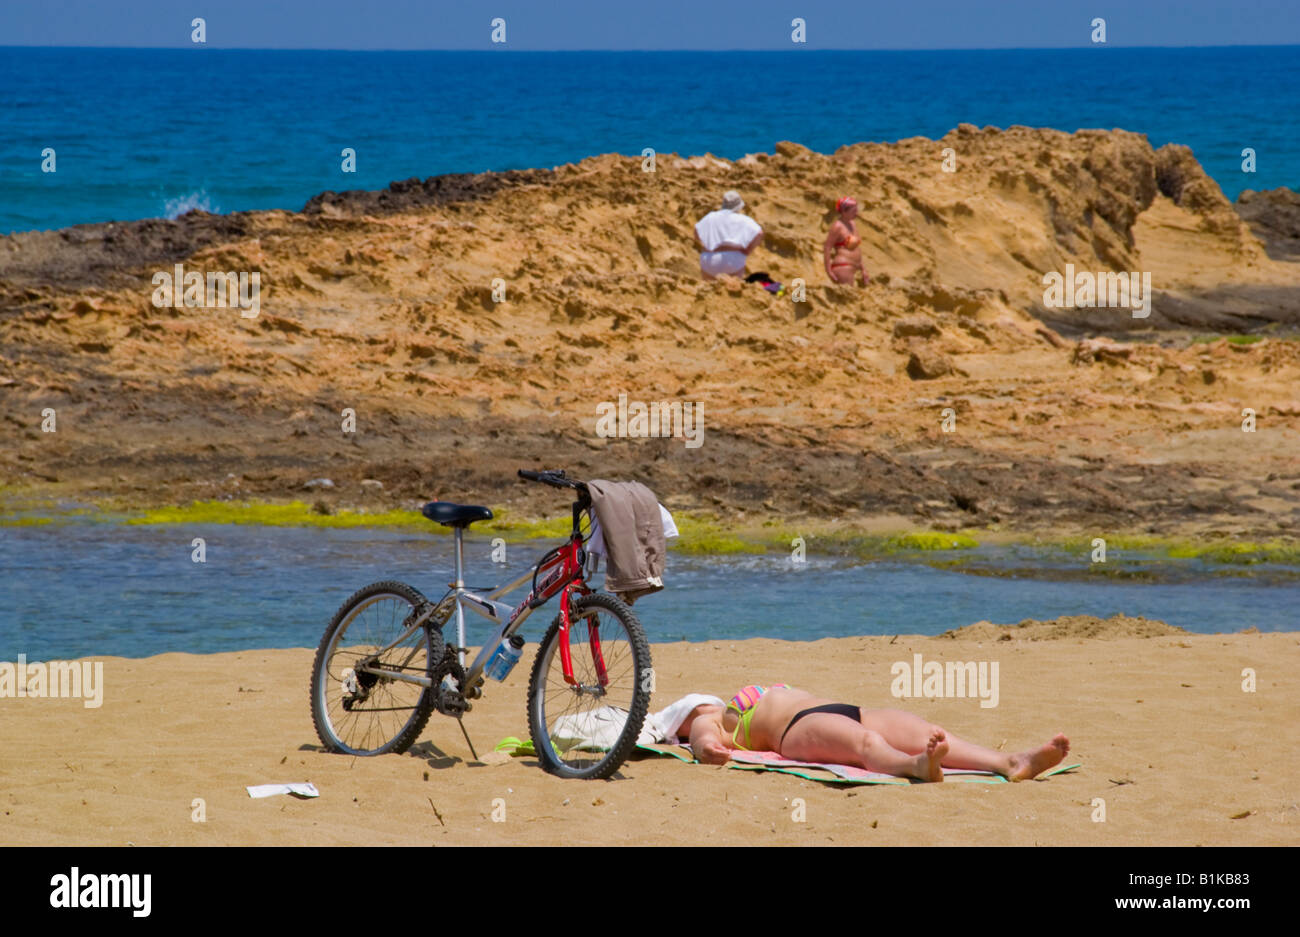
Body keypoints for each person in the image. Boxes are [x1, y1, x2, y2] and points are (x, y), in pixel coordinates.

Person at [677, 684, 1070, 782]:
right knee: (868, 746)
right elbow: (700, 731)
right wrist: (704, 744)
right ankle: (915, 767)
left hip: (846, 709)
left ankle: (1009, 761)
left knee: (931, 731)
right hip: (795, 731)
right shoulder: (719, 718)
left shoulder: (742, 698)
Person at [694, 191, 763, 279]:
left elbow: (696, 232)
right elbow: (759, 233)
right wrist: (748, 250)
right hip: (732, 259)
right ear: (739, 207)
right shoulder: (743, 219)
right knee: (733, 289)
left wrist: (705, 245)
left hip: (710, 258)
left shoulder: (711, 217)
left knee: (708, 287)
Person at [824, 196, 868, 285]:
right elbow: (827, 247)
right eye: (853, 211)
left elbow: (856, 249)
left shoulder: (853, 224)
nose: (856, 213)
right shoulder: (837, 226)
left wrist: (863, 269)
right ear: (844, 211)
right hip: (843, 267)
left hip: (855, 267)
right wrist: (828, 270)